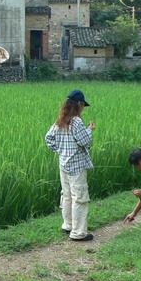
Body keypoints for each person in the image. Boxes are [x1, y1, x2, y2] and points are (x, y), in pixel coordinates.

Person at [45, 90, 95, 242]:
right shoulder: (76, 121)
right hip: (76, 166)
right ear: (79, 105)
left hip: (63, 164)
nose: (83, 108)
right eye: (83, 105)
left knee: (66, 195)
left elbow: (48, 139)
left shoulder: (60, 120)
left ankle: (68, 225)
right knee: (79, 197)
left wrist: (61, 150)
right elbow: (84, 141)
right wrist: (89, 130)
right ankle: (78, 233)